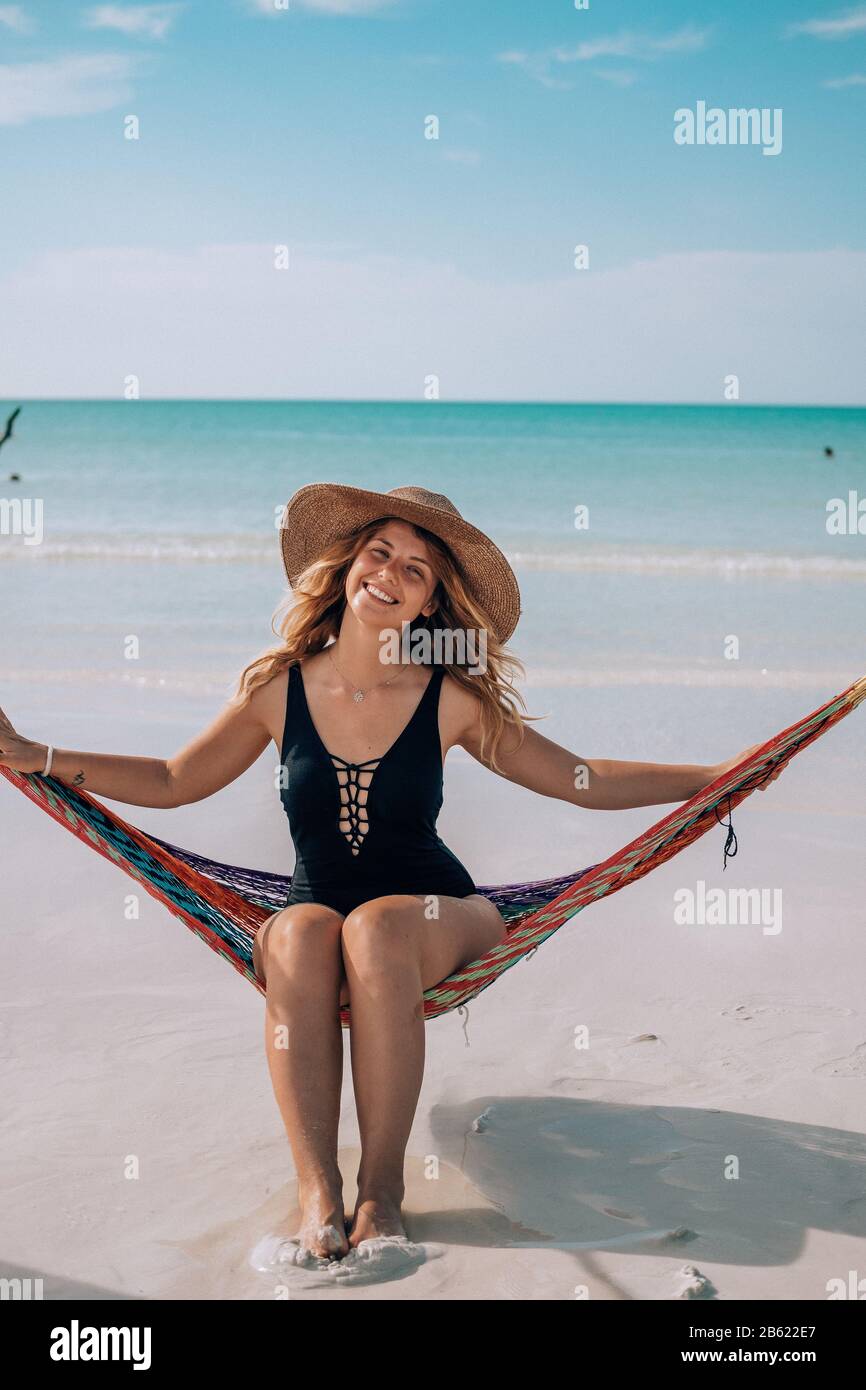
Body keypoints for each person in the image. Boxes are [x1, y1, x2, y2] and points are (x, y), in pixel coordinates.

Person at [0, 482, 780, 1265]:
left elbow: (582, 779)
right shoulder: (278, 689)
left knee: (374, 928)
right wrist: (42, 757)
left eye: (416, 568)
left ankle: (383, 1190)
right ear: (346, 566)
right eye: (381, 552)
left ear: (431, 602)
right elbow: (175, 780)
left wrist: (713, 778)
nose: (391, 573)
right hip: (315, 913)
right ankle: (317, 1191)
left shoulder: (450, 697)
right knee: (305, 932)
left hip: (441, 915)